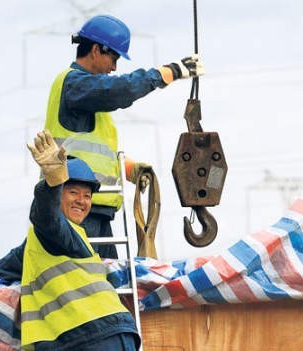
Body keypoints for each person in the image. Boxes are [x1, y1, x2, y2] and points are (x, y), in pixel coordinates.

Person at [44, 14, 204, 258]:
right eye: (114, 58)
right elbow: (118, 91)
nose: (114, 67)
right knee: (85, 282)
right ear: (96, 50)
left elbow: (92, 152)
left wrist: (128, 169)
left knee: (107, 284)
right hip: (75, 207)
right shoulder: (74, 84)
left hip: (96, 208)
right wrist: (167, 73)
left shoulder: (85, 94)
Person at [0, 130, 140, 350]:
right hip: (99, 334)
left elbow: (48, 219)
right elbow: (0, 271)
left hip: (92, 335)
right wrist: (53, 183)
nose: (82, 201)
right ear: (58, 195)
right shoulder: (39, 242)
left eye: (87, 196)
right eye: (73, 192)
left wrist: (52, 183)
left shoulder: (66, 234)